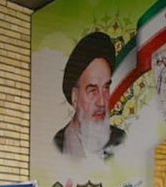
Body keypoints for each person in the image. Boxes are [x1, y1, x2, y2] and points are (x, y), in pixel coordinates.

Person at [54, 31, 126, 161]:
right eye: (92, 91)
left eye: (106, 88)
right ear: (75, 97)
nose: (102, 102)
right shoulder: (58, 145)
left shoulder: (120, 140)